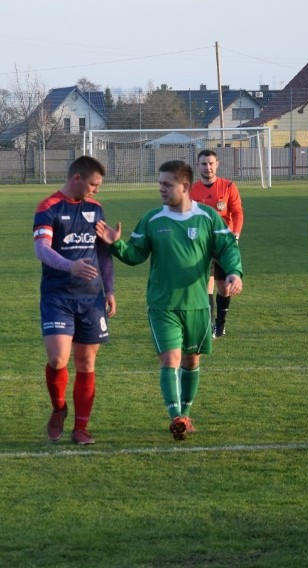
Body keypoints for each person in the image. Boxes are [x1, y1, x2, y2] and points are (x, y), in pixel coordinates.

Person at [95, 160, 243, 441]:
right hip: (163, 304)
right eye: (159, 184)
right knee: (170, 359)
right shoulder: (152, 219)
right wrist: (116, 244)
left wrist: (235, 272)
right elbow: (136, 254)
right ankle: (175, 416)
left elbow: (227, 249)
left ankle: (185, 412)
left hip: (198, 304)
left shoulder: (208, 218)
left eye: (167, 184)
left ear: (184, 186)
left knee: (191, 360)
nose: (160, 189)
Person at [33, 155, 115, 446]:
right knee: (58, 359)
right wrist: (71, 266)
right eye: (93, 184)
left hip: (91, 297)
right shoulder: (48, 207)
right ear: (77, 179)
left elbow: (103, 252)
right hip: (58, 296)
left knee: (86, 361)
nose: (96, 190)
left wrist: (110, 289)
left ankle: (81, 428)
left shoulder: (96, 209)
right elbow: (41, 249)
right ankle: (58, 408)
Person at [190, 149, 244, 338]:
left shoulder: (228, 186)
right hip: (202, 245)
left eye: (211, 163)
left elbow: (237, 213)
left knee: (225, 287)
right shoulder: (192, 190)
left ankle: (220, 324)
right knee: (207, 285)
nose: (208, 167)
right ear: (198, 166)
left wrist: (235, 235)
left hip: (224, 245)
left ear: (217, 164)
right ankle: (209, 325)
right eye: (204, 164)